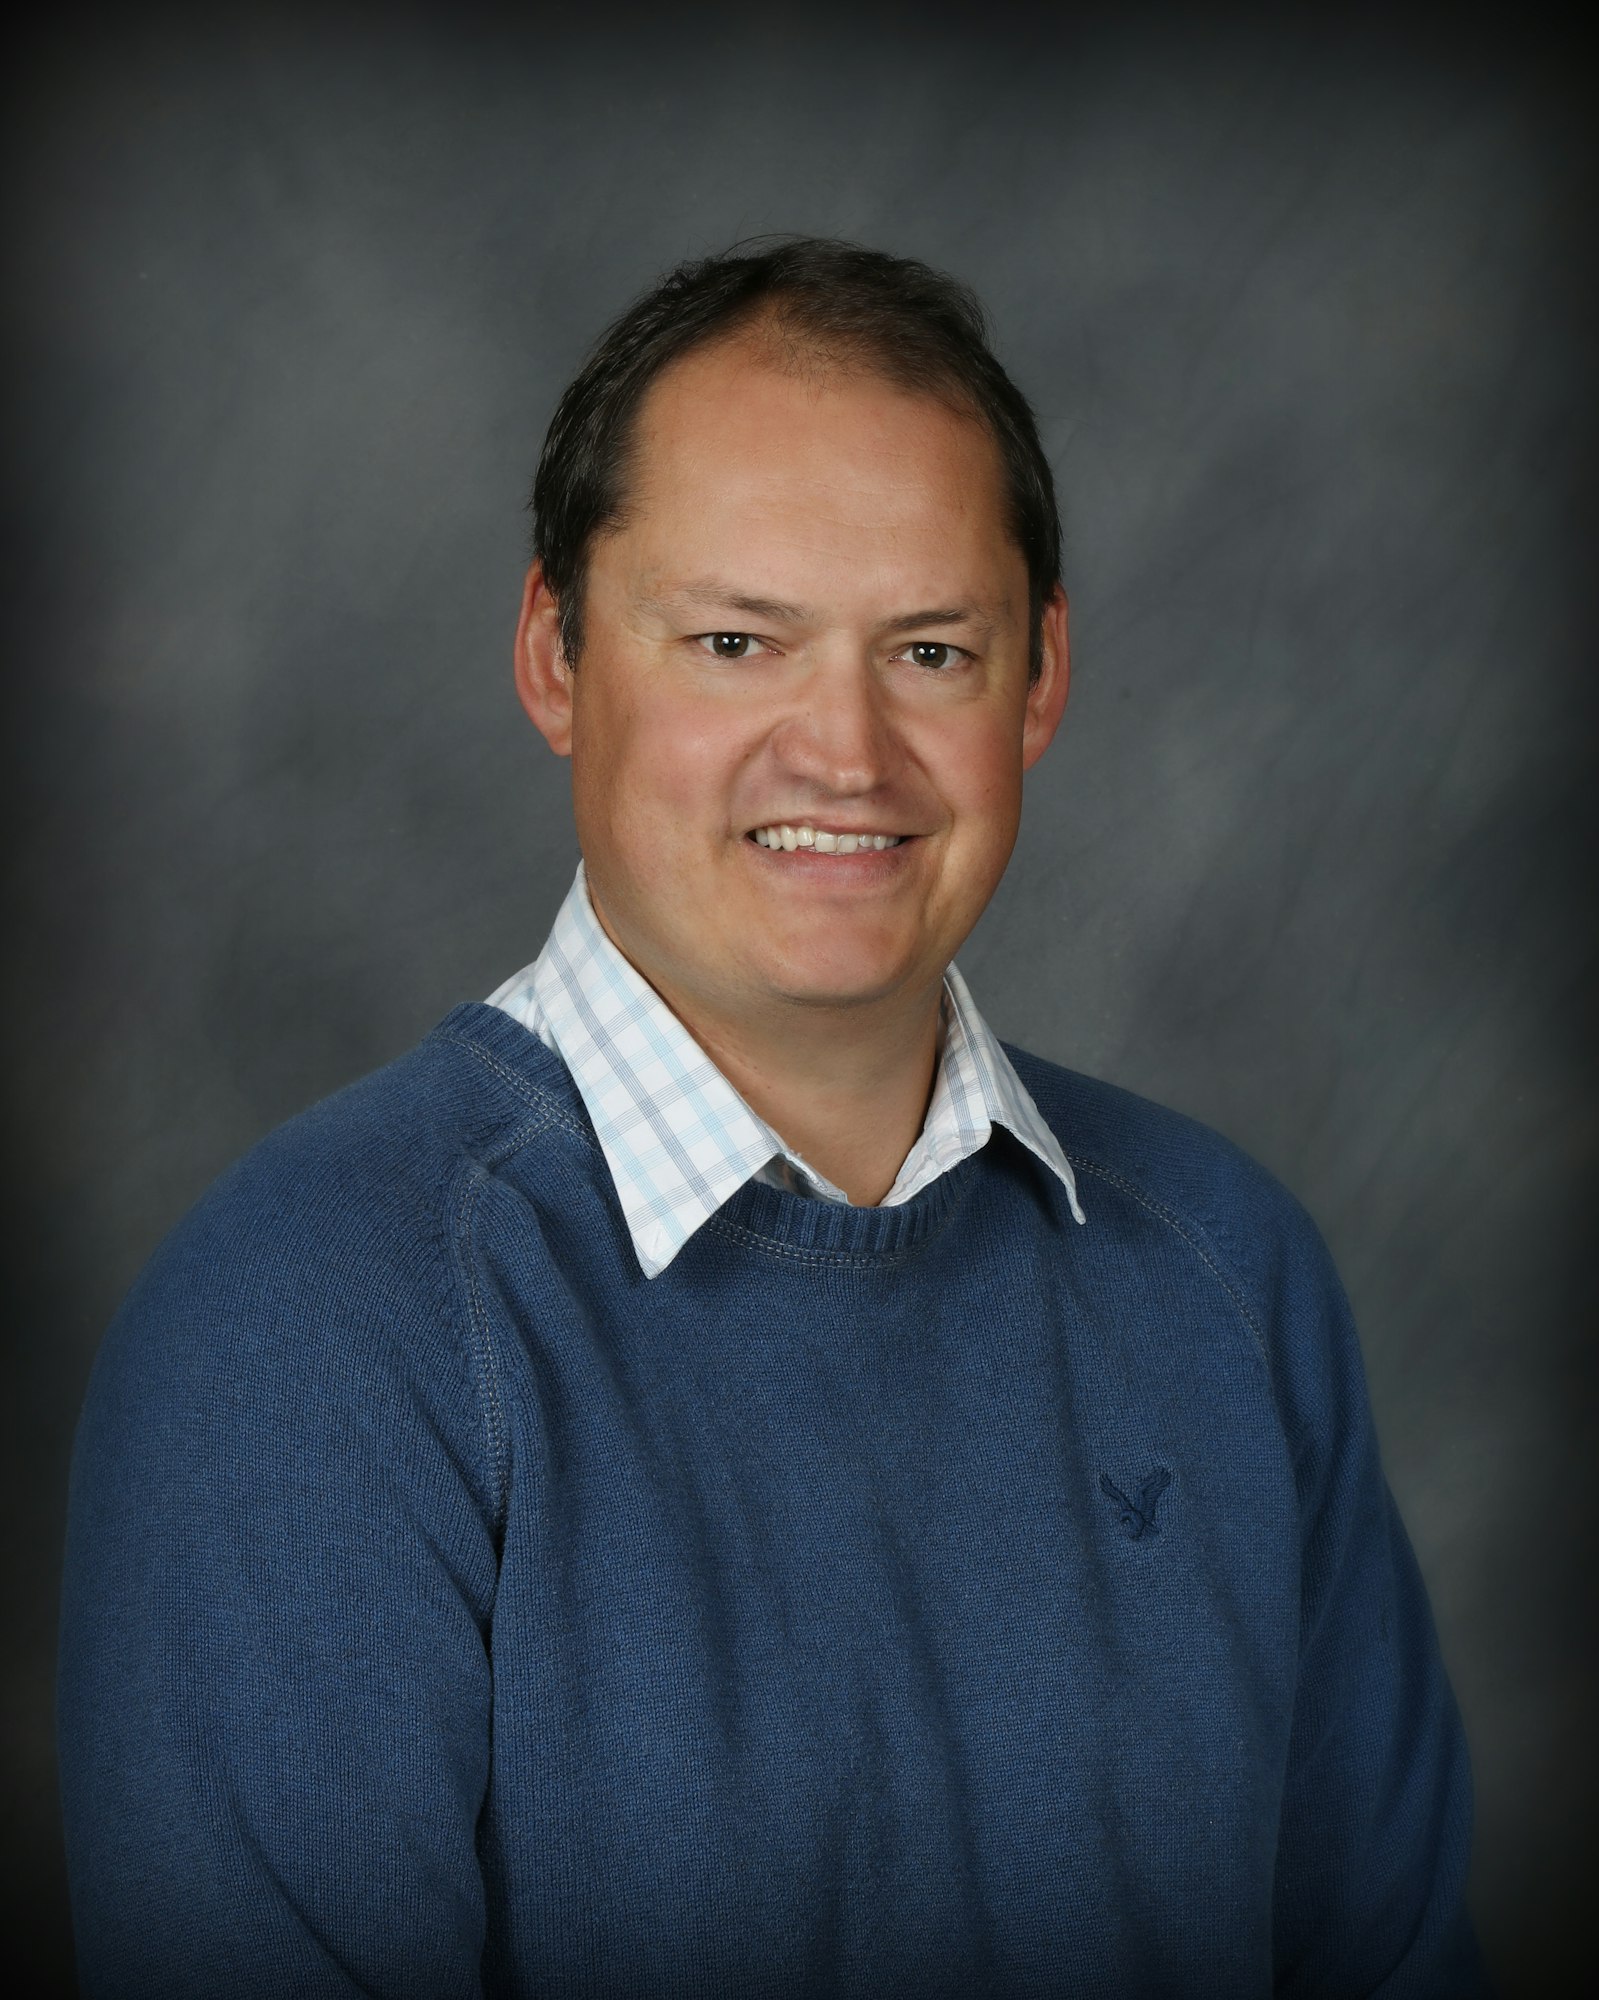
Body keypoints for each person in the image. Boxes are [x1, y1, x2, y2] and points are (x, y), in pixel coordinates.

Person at [57, 238, 1489, 1998]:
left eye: (932, 651)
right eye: (737, 640)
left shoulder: (1229, 1273)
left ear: (1039, 682)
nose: (847, 753)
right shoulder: (310, 1326)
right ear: (556, 655)